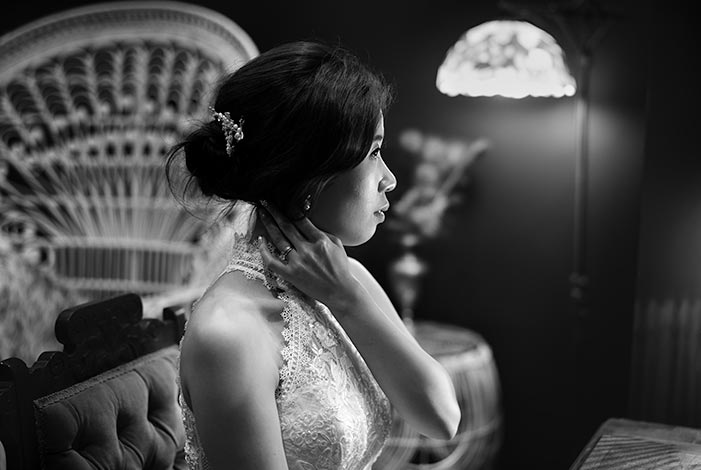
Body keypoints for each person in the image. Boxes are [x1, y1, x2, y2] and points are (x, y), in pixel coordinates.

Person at [167, 40, 461, 470]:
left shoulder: (346, 278)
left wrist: (348, 298)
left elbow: (440, 417)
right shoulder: (229, 333)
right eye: (374, 152)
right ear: (310, 175)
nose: (390, 179)